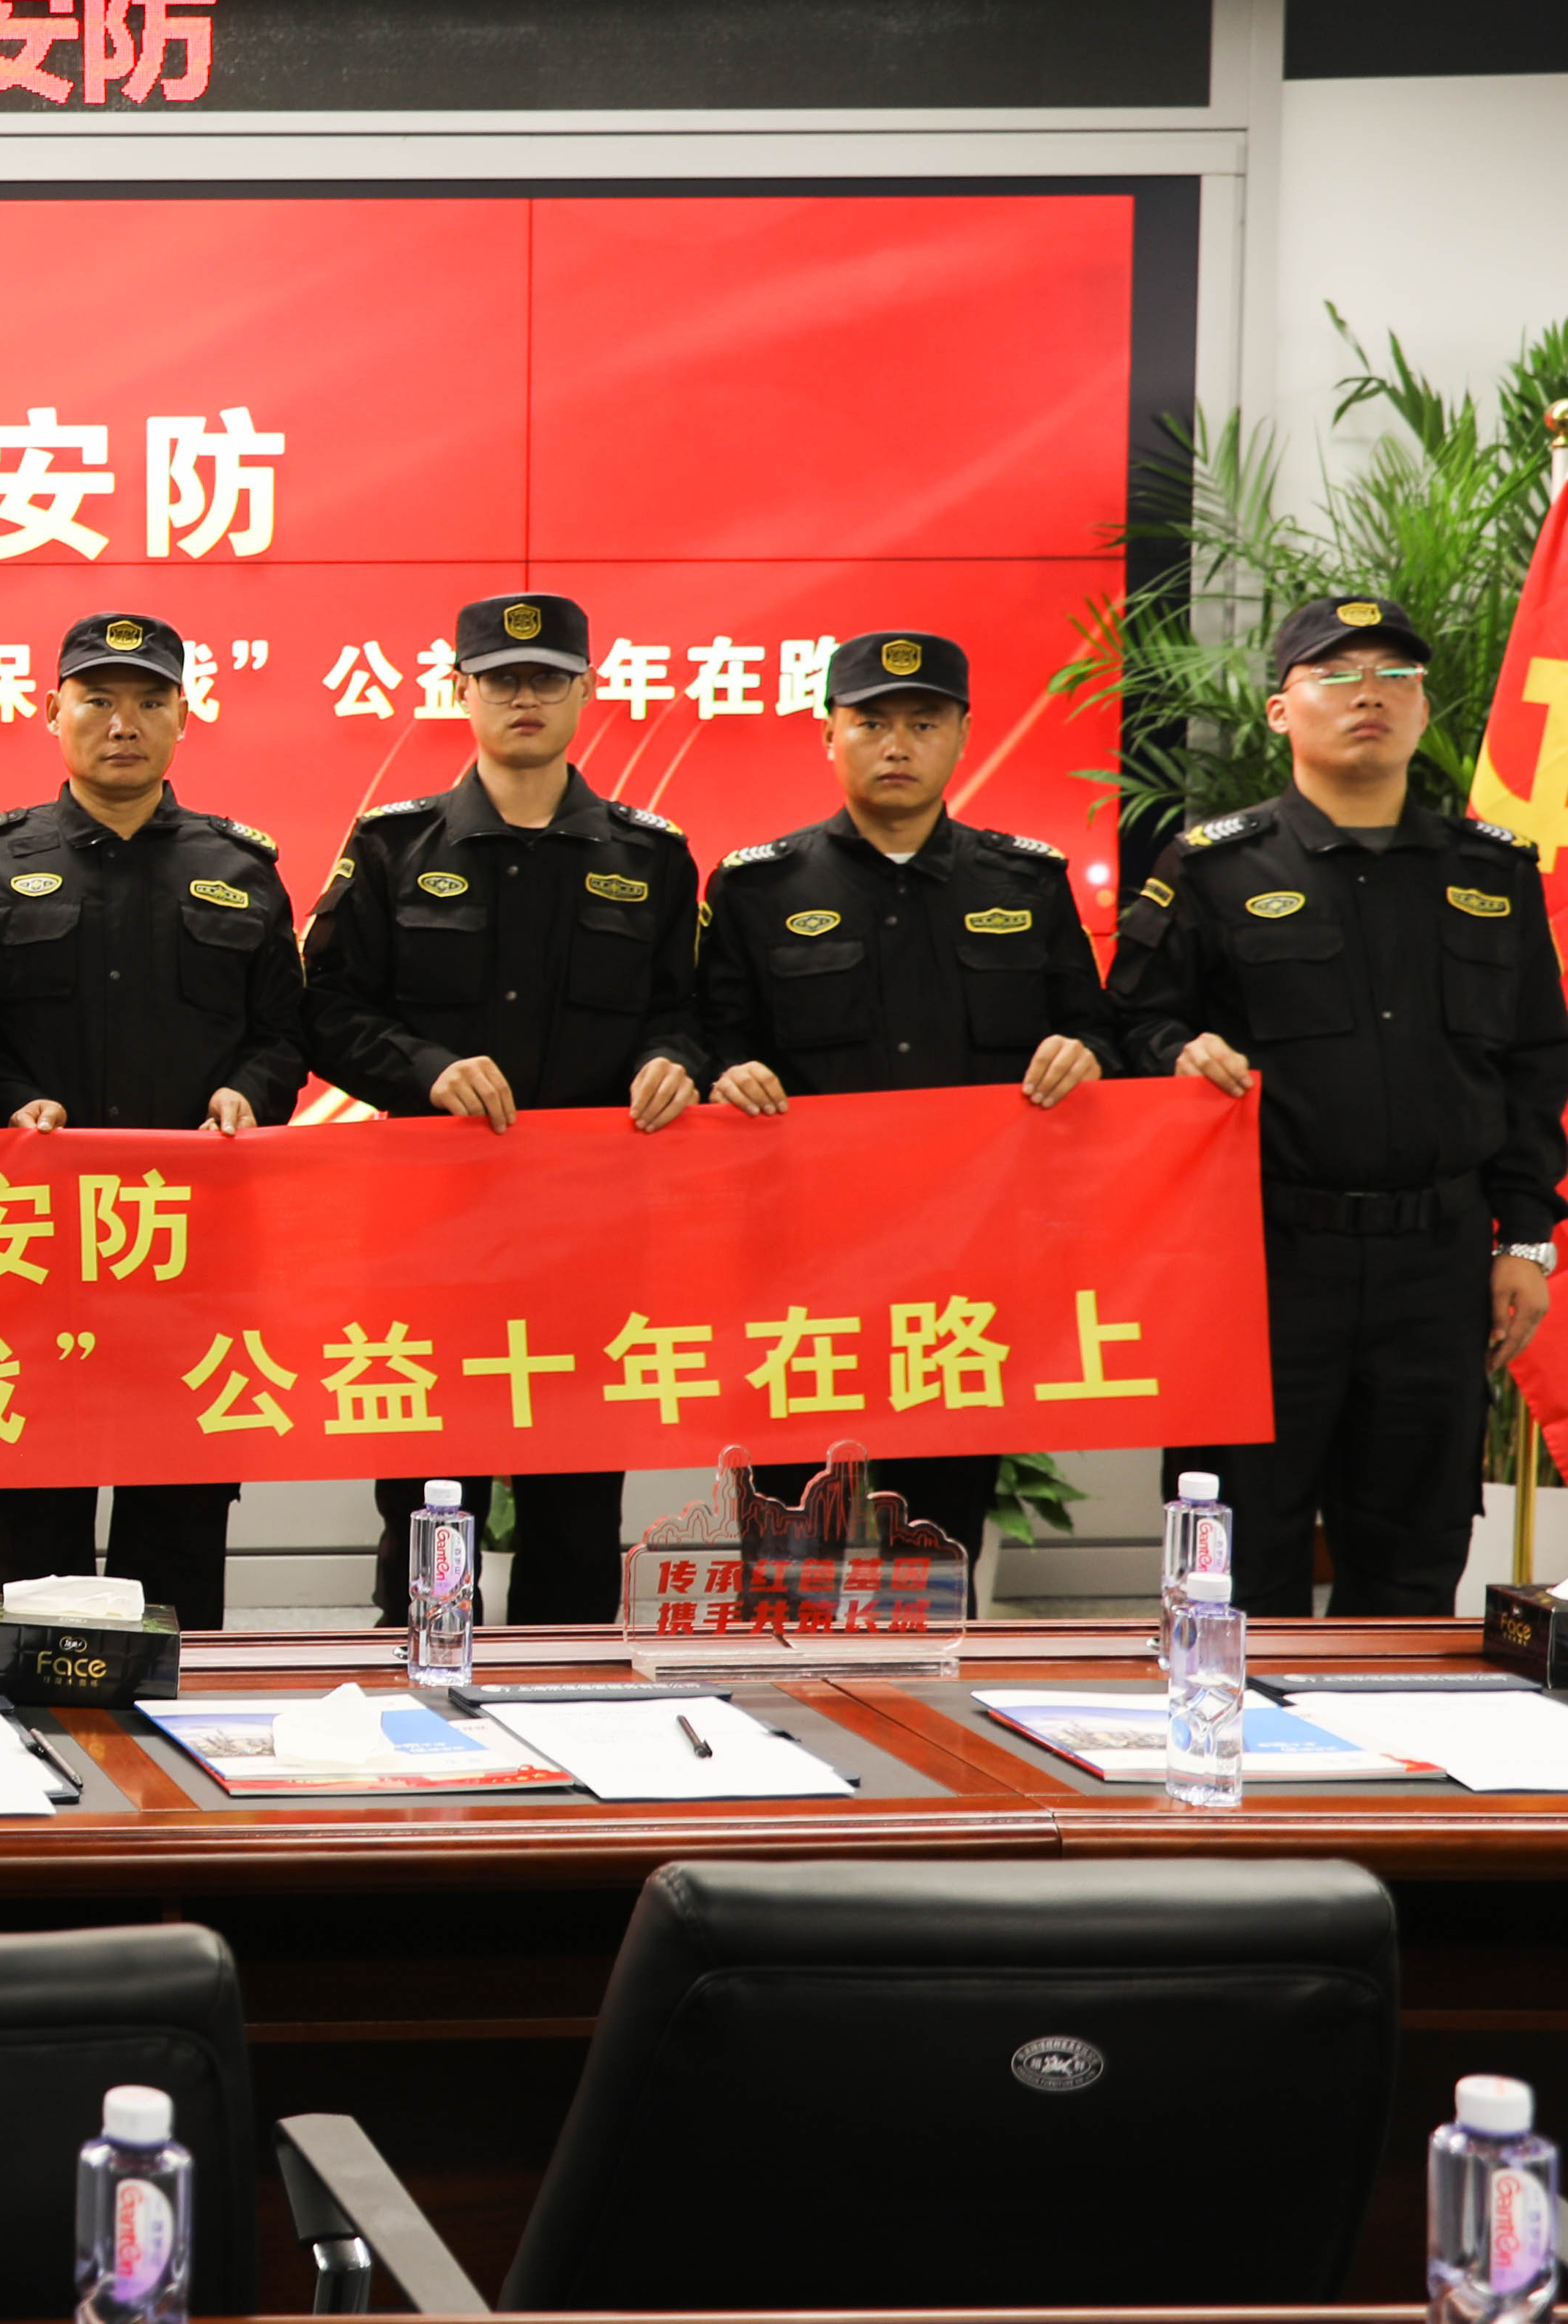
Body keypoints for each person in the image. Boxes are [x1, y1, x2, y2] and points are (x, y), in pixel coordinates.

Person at [1108, 593, 1568, 1615]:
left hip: (1437, 1267)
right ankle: (1237, 1721)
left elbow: (1535, 1064)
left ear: (1423, 708)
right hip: (1263, 1261)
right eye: (1338, 674)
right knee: (1237, 1555)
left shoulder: (1491, 872)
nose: (1371, 694)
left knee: (1414, 1555)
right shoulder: (1213, 868)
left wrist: (1527, 1241)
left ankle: (1394, 1726)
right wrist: (1179, 1050)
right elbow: (1128, 1026)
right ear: (1281, 710)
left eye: (1396, 675)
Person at [302, 591, 704, 1626]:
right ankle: (425, 1681)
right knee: (432, 1486)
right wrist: (425, 1069)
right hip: (434, 1229)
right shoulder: (394, 847)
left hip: (594, 1231)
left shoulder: (650, 856)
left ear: (585, 690)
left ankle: (570, 1693)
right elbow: (324, 1010)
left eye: (547, 678)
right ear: (460, 691)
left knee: (578, 1493)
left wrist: (672, 1058)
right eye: (500, 679)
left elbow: (692, 1010)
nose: (525, 696)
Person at [694, 630, 1109, 1560]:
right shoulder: (759, 887)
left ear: (962, 735)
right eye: (871, 723)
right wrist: (726, 1071)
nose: (897, 745)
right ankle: (789, 1653)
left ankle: (924, 1659)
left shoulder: (1026, 884)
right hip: (803, 1269)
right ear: (828, 735)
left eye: (924, 723)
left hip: (966, 1268)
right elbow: (710, 1037)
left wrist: (1082, 1052)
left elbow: (1098, 1031)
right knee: (793, 1540)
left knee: (935, 1543)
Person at [0, 612, 305, 1634]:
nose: (122, 722)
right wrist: (8, 1100)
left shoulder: (241, 867)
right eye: (97, 699)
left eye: (149, 701)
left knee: (179, 1519)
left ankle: (170, 1730)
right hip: (29, 1250)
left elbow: (284, 1035)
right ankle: (27, 1719)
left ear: (183, 717)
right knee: (31, 1518)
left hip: (192, 1253)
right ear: (50, 711)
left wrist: (250, 1093)